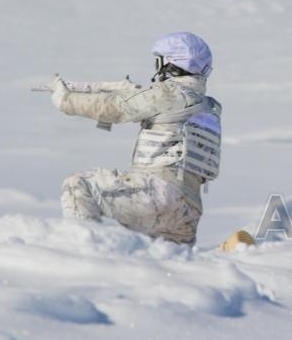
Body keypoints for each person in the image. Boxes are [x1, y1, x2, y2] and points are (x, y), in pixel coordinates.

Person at [51, 32, 221, 244]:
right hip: (188, 211)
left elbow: (114, 109)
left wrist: (66, 100)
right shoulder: (209, 108)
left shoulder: (170, 94)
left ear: (170, 63)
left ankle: (84, 255)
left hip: (158, 195)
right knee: (164, 266)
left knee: (78, 186)